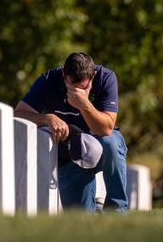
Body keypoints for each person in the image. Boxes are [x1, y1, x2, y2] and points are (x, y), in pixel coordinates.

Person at [14, 52, 129, 214]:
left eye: (82, 87)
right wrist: (46, 118)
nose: (76, 91)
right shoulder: (48, 82)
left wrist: (84, 104)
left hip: (103, 145)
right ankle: (96, 209)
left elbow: (107, 128)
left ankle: (117, 211)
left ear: (93, 76)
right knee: (82, 220)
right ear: (63, 74)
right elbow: (19, 113)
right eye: (71, 85)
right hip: (69, 156)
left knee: (111, 143)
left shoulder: (106, 78)